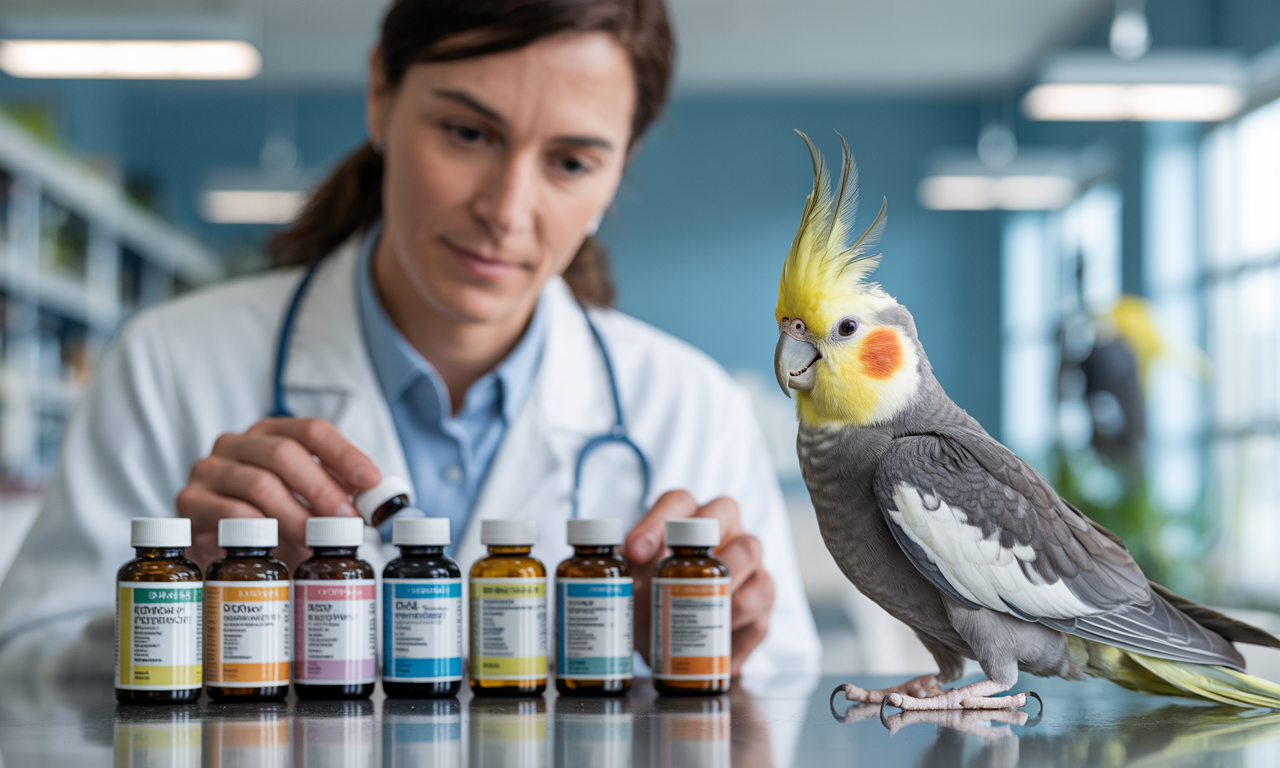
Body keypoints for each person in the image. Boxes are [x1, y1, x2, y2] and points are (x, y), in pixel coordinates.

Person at [0, 0, 819, 680]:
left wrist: (713, 642)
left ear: (618, 169)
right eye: (468, 133)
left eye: (570, 162)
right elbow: (22, 672)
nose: (506, 209)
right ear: (380, 96)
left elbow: (776, 700)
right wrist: (192, 610)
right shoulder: (169, 364)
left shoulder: (691, 405)